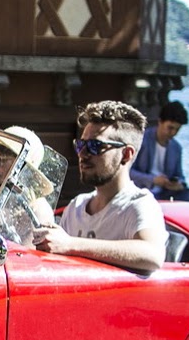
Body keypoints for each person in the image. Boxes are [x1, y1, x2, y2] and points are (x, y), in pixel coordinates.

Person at [33, 100, 168, 274]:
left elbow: (152, 254)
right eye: (80, 145)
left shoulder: (139, 204)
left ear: (126, 155)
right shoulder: (77, 206)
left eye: (95, 146)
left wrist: (71, 244)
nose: (82, 154)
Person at [129, 100, 189, 202]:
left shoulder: (176, 148)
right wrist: (153, 180)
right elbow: (128, 171)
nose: (173, 133)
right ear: (160, 122)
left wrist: (179, 184)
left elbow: (180, 176)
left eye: (177, 130)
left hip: (166, 193)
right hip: (142, 192)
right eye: (170, 128)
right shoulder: (141, 140)